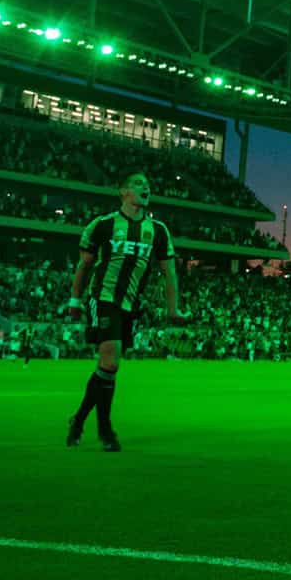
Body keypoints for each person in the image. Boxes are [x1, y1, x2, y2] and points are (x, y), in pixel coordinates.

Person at [65, 172, 186, 452]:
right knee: (110, 360)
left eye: (147, 184)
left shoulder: (158, 230)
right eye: (138, 184)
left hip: (131, 305)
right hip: (103, 298)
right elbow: (84, 266)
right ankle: (106, 430)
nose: (146, 187)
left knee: (108, 368)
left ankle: (79, 419)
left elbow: (169, 273)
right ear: (123, 192)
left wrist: (173, 308)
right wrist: (74, 300)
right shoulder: (103, 225)